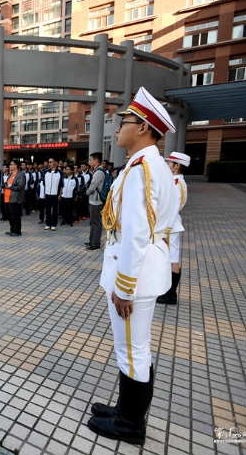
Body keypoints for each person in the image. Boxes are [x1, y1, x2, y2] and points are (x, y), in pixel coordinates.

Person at [87, 86, 177, 446]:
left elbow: (138, 234)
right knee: (134, 347)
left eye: (124, 120)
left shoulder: (142, 168)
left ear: (142, 128)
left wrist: (123, 288)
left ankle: (130, 424)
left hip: (134, 280)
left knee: (133, 349)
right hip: (142, 272)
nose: (118, 125)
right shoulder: (148, 164)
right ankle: (125, 409)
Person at [157, 152, 190, 305]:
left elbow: (173, 209)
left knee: (172, 260)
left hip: (171, 227)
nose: (166, 166)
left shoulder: (177, 183)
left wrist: (165, 231)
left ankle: (170, 294)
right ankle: (168, 292)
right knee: (170, 259)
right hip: (170, 226)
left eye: (169, 164)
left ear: (177, 166)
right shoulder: (175, 181)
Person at [84, 153, 105, 250]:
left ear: (96, 160)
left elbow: (92, 186)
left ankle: (96, 243)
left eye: (91, 159)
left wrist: (86, 192)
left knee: (96, 223)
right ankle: (91, 241)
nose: (90, 162)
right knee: (92, 223)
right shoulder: (96, 171)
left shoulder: (99, 172)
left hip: (97, 201)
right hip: (93, 200)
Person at [3, 160, 25, 237]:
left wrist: (9, 187)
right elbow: (8, 183)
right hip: (7, 198)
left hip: (15, 198)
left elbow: (20, 186)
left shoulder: (20, 175)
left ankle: (17, 231)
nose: (10, 166)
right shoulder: (10, 174)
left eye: (11, 164)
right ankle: (12, 230)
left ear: (16, 166)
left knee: (15, 215)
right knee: (10, 216)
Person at [42, 158, 63, 231]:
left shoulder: (60, 172)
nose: (49, 164)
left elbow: (61, 184)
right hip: (47, 194)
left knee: (55, 210)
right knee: (47, 209)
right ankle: (48, 224)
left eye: (51, 162)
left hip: (55, 194)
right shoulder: (45, 172)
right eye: (49, 162)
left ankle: (54, 224)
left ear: (55, 163)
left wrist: (60, 194)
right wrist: (44, 193)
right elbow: (44, 184)